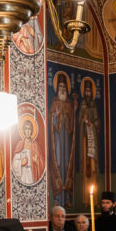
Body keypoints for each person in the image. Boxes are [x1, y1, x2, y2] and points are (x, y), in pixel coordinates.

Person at [49, 74, 77, 207]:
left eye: (64, 86)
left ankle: (66, 198)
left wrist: (73, 111)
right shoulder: (54, 102)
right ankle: (57, 198)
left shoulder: (69, 103)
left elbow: (72, 123)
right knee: (58, 164)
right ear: (57, 88)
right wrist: (56, 115)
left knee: (67, 166)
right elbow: (51, 119)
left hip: (66, 138)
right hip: (57, 139)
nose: (62, 89)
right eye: (60, 86)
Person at [78, 78, 100, 205]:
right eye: (86, 91)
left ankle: (94, 199)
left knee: (93, 168)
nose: (87, 93)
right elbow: (79, 121)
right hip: (85, 141)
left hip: (92, 141)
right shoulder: (82, 105)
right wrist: (83, 121)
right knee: (85, 168)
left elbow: (98, 121)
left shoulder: (94, 105)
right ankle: (86, 199)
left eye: (89, 91)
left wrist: (93, 124)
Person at [12, 117, 44, 186]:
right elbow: (14, 163)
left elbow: (42, 163)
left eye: (29, 129)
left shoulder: (35, 145)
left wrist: (36, 161)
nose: (28, 131)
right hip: (22, 174)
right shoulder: (20, 144)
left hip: (32, 174)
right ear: (24, 131)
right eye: (26, 129)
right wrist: (21, 163)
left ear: (32, 131)